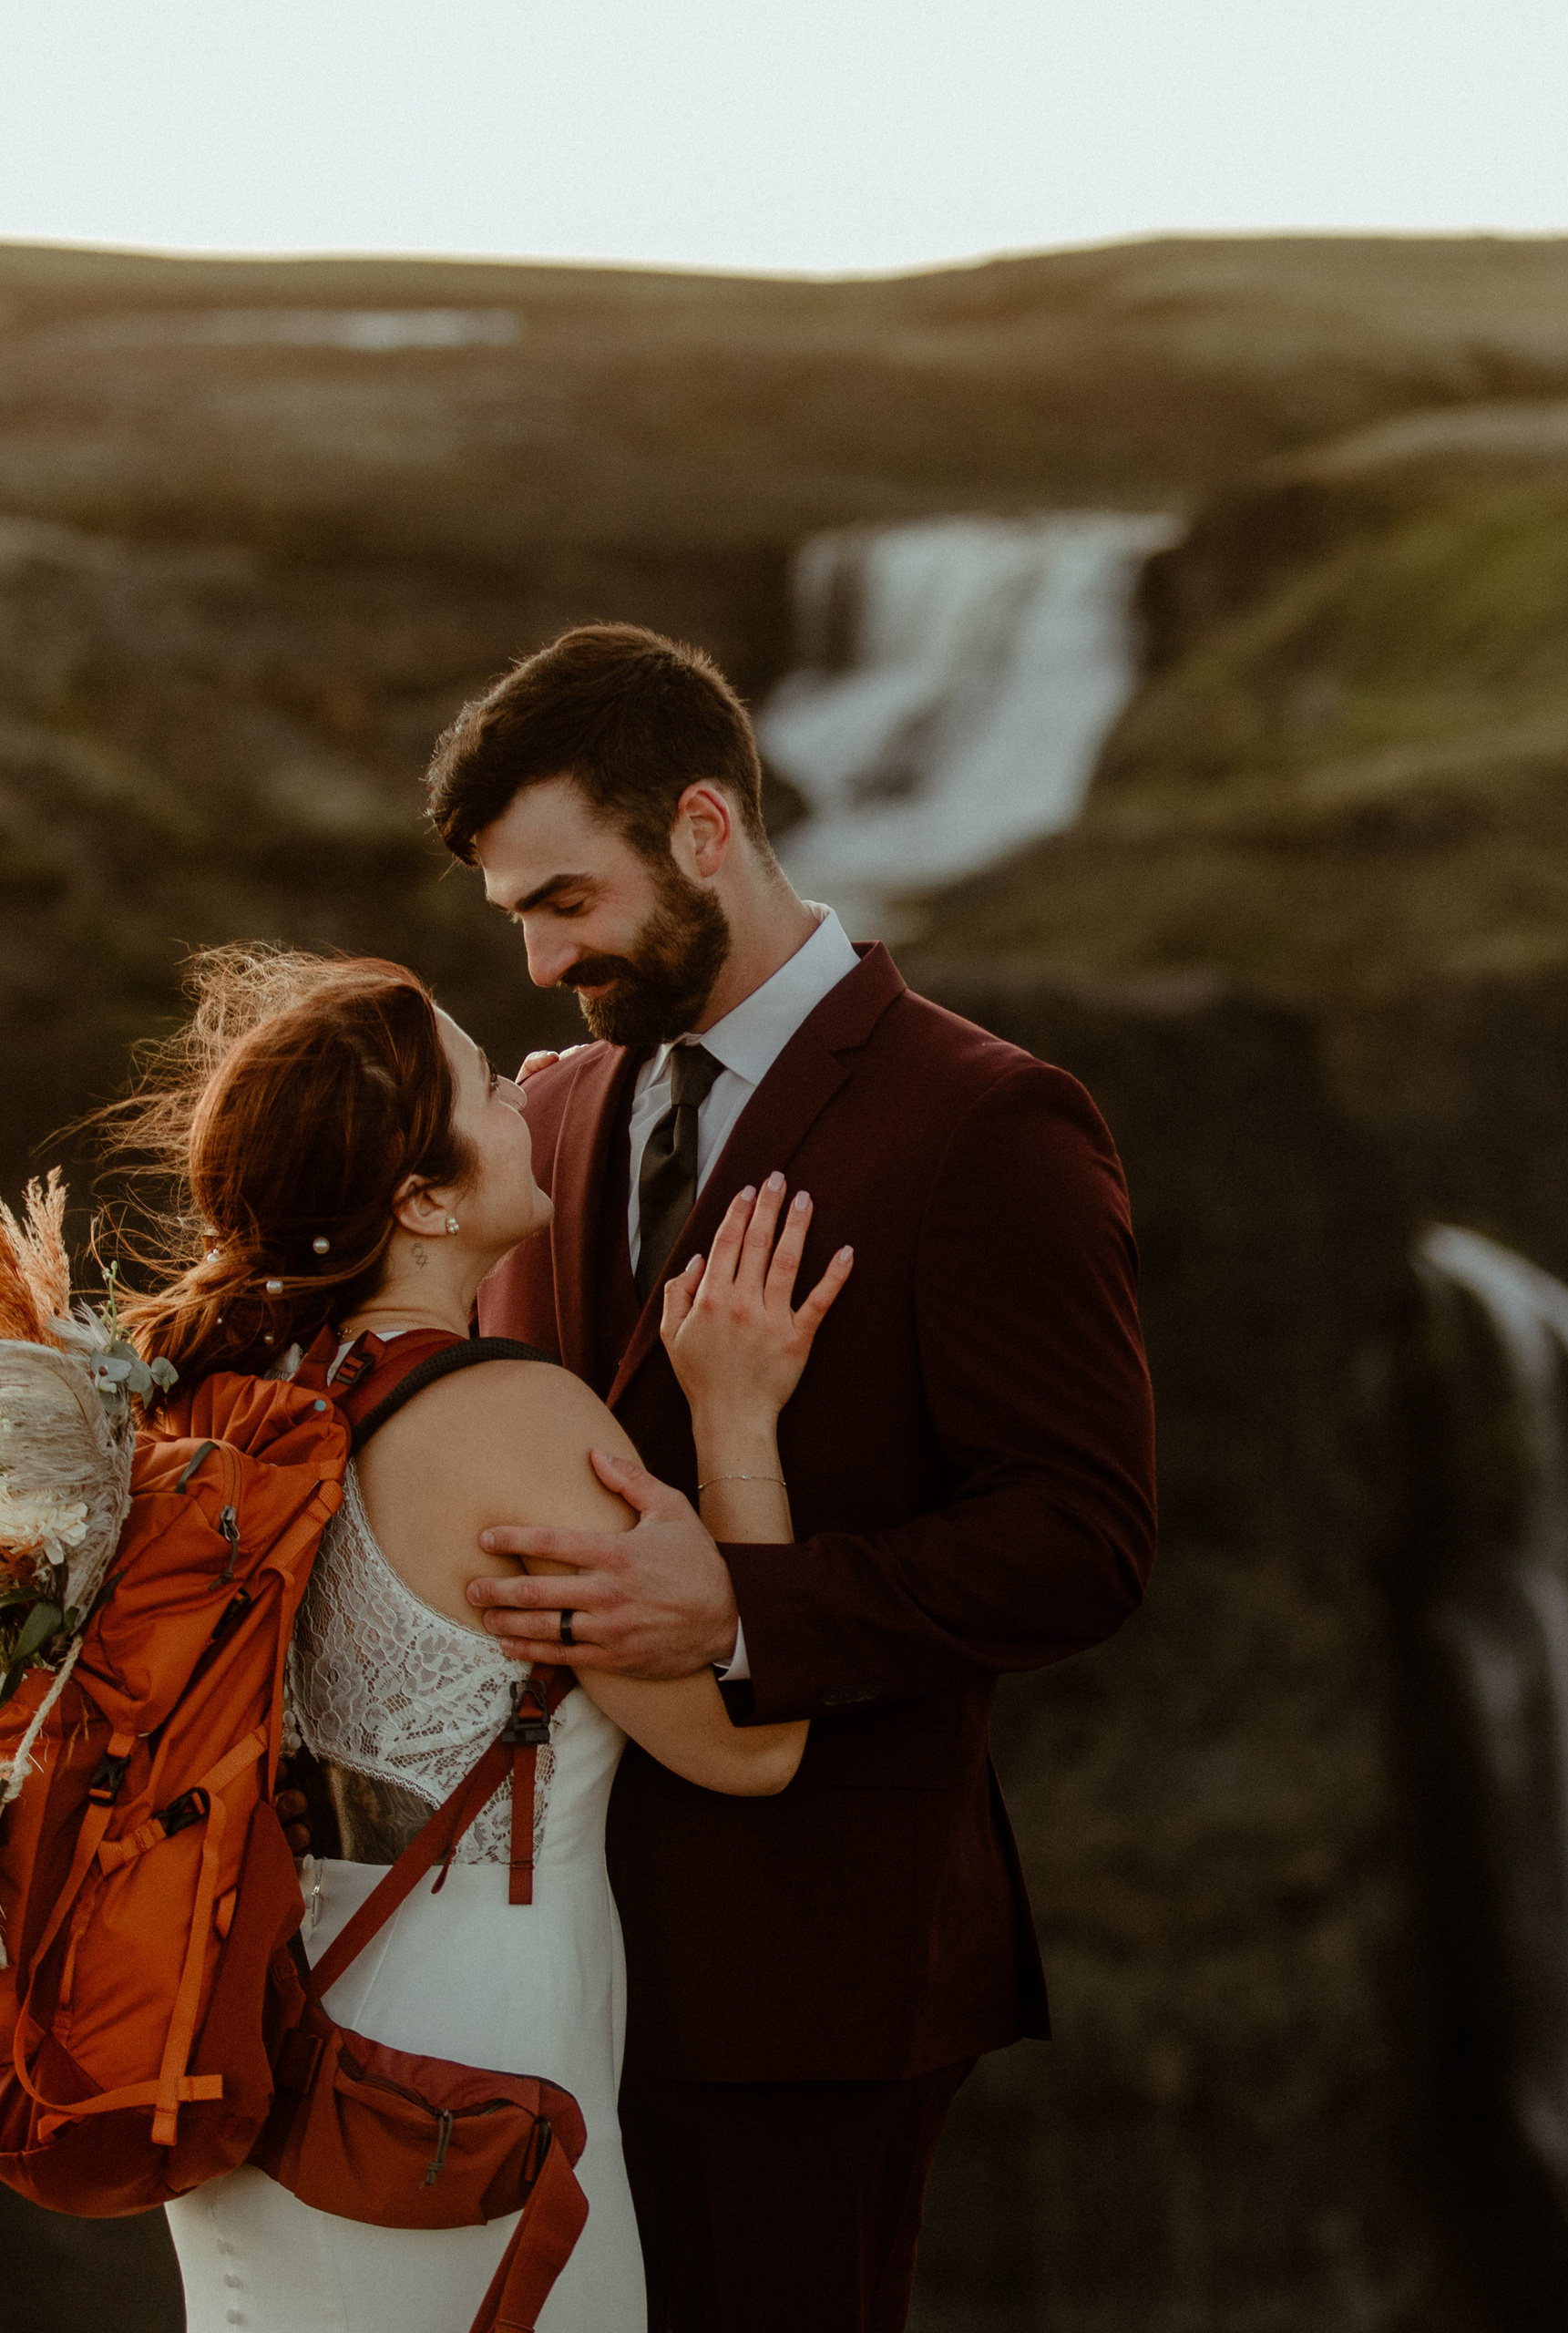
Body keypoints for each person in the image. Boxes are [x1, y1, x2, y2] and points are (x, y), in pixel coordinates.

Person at [425, 622, 1157, 2333]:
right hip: (552, 1964)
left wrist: (745, 1611)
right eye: (519, 918)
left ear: (701, 829)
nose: (542, 964)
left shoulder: (991, 1125)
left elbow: (1084, 1543)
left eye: (565, 903)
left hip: (823, 1967)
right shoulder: (549, 1117)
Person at [116, 948, 847, 2331]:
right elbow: (750, 1752)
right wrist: (737, 1415)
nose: (527, 1090)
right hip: (459, 2070)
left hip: (248, 2027)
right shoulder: (514, 1420)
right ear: (423, 1198)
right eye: (484, 1083)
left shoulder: (222, 1404)